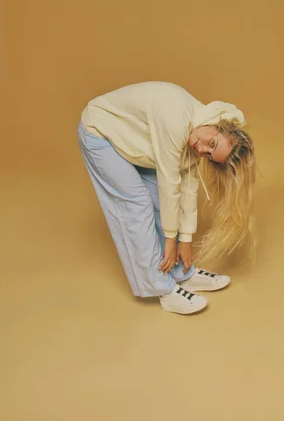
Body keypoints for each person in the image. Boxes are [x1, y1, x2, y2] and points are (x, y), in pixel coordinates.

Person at [77, 81, 257, 315]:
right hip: (99, 133)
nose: (203, 150)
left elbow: (188, 188)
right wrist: (172, 241)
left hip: (131, 139)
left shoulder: (197, 131)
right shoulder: (177, 120)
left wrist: (185, 241)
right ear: (218, 125)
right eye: (211, 143)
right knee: (136, 203)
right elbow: (170, 183)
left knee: (160, 202)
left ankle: (182, 272)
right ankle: (160, 287)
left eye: (210, 155)